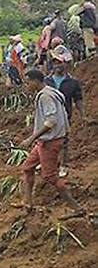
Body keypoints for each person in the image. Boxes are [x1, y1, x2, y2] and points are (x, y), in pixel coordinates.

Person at [15, 69, 85, 220]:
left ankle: (77, 208)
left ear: (35, 81)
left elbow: (51, 121)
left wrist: (30, 138)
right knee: (27, 168)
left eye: (28, 82)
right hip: (46, 140)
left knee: (50, 177)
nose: (26, 85)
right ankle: (27, 202)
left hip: (50, 141)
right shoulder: (50, 92)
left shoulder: (46, 96)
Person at [45, 47, 85, 177]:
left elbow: (78, 99)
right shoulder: (47, 81)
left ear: (65, 64)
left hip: (65, 115)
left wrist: (82, 115)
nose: (57, 65)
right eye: (55, 62)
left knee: (63, 141)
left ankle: (63, 165)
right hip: (48, 116)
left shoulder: (72, 82)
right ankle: (49, 163)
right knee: (47, 140)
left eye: (59, 62)